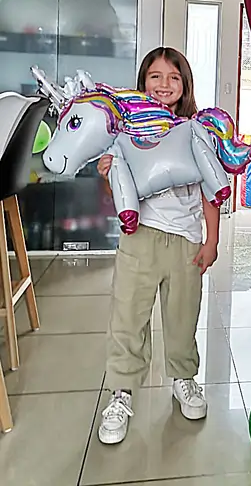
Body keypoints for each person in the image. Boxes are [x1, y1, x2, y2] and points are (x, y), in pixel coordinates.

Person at [96, 47, 220, 444]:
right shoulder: (127, 130)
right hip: (140, 238)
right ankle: (121, 392)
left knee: (183, 317)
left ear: (184, 86)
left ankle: (184, 379)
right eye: (155, 76)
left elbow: (210, 191)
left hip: (186, 240)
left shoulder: (195, 130)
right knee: (128, 318)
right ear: (142, 81)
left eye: (173, 77)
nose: (164, 85)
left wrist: (211, 239)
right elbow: (120, 192)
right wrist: (106, 174)